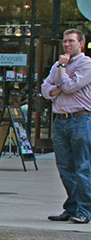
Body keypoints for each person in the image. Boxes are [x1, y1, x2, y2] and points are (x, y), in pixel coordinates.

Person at [42, 29, 91, 224]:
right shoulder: (57, 65)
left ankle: (85, 210)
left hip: (80, 120)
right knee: (65, 167)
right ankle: (72, 208)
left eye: (71, 41)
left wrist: (63, 69)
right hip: (60, 121)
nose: (67, 45)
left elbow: (70, 87)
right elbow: (45, 89)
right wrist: (58, 86)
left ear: (81, 43)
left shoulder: (86, 64)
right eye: (64, 41)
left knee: (82, 167)